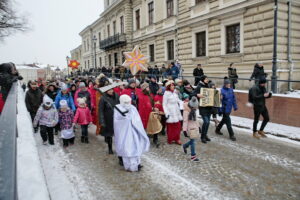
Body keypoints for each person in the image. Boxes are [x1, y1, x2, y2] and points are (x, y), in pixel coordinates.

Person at [114, 95, 150, 172]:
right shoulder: (118, 109)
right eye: (126, 102)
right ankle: (129, 166)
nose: (128, 104)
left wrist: (132, 121)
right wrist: (125, 119)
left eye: (128, 102)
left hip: (134, 131)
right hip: (125, 133)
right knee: (127, 149)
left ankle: (137, 164)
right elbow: (117, 122)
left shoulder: (133, 108)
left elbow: (137, 118)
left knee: (136, 147)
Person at [99, 84, 120, 154]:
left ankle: (119, 148)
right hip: (108, 119)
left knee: (117, 134)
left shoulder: (116, 96)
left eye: (112, 89)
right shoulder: (103, 98)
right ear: (106, 91)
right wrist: (102, 121)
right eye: (109, 90)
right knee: (109, 134)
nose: (111, 91)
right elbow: (100, 110)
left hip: (117, 118)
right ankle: (110, 148)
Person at [192, 75, 212, 144]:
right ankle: (202, 137)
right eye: (206, 79)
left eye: (207, 78)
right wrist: (197, 95)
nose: (207, 80)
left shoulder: (208, 85)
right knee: (206, 121)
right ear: (203, 79)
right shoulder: (199, 86)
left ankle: (205, 135)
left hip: (209, 106)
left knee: (208, 122)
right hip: (203, 107)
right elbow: (192, 94)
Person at [163, 80, 183, 144]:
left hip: (176, 111)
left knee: (178, 126)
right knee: (171, 127)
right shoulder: (166, 94)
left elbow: (178, 100)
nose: (173, 86)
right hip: (170, 111)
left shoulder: (175, 93)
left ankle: (177, 139)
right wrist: (167, 113)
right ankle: (170, 139)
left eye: (173, 85)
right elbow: (164, 104)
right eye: (171, 85)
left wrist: (183, 102)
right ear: (168, 86)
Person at [182, 96, 200, 162]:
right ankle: (193, 156)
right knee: (193, 142)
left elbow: (196, 119)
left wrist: (199, 126)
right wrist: (184, 130)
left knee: (192, 141)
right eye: (195, 107)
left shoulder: (194, 110)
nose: (196, 108)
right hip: (190, 128)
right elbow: (185, 121)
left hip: (195, 126)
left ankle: (185, 145)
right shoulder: (186, 111)